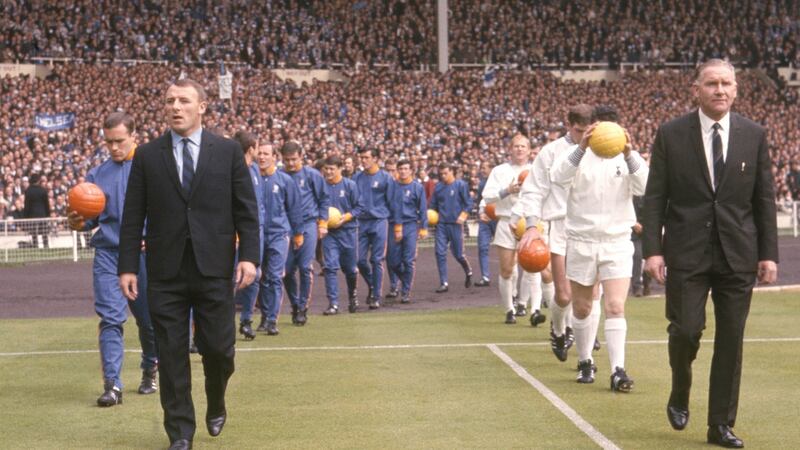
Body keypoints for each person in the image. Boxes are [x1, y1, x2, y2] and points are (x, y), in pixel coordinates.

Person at [642, 59, 778, 448]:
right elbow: (655, 197)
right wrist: (653, 250)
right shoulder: (671, 134)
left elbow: (763, 198)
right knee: (686, 330)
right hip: (686, 252)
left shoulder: (754, 134)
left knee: (731, 341)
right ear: (696, 89)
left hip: (738, 254)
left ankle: (720, 425)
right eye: (712, 83)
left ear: (736, 89)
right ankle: (680, 388)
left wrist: (768, 253)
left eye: (727, 83)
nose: (720, 90)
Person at [118, 78, 260, 449]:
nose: (175, 107)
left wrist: (248, 256)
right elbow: (133, 215)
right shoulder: (147, 155)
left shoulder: (227, 151)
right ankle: (180, 432)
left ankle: (216, 398)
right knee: (171, 353)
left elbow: (246, 210)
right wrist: (128, 266)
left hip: (214, 268)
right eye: (169, 101)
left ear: (202, 108)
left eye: (183, 100)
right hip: (165, 272)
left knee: (218, 349)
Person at [548, 106, 648, 391]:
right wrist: (581, 147)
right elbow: (558, 176)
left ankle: (618, 370)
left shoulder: (628, 158)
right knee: (581, 307)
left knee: (615, 305)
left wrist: (629, 153)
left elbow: (645, 185)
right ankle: (585, 360)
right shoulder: (577, 156)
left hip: (617, 240)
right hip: (581, 240)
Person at [67, 112, 158, 406]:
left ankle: (150, 367)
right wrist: (79, 222)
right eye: (109, 142)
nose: (114, 147)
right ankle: (113, 386)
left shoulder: (153, 168)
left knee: (149, 321)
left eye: (119, 141)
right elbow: (90, 220)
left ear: (134, 135)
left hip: (145, 253)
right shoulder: (96, 175)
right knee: (110, 318)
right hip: (108, 252)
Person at [512, 105, 594, 352]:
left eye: (586, 130)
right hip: (560, 225)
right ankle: (559, 329)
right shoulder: (551, 152)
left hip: (591, 226)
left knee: (591, 295)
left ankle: (585, 345)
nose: (582, 135)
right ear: (569, 125)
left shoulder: (601, 148)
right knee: (564, 295)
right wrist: (532, 225)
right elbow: (534, 190)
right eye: (578, 130)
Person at [481, 134, 541, 324]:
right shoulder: (500, 170)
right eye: (516, 146)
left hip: (531, 222)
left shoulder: (536, 170)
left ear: (529, 150)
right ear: (510, 149)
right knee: (507, 269)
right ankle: (509, 309)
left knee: (534, 267)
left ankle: (534, 309)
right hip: (507, 221)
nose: (519, 149)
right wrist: (507, 190)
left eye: (523, 146)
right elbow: (487, 196)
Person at [280, 141, 330, 326]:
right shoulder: (281, 175)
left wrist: (323, 223)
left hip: (308, 223)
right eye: (287, 160)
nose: (291, 163)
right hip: (286, 226)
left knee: (305, 267)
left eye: (294, 159)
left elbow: (324, 199)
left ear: (301, 156)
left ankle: (303, 307)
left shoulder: (312, 175)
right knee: (286, 270)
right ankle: (294, 303)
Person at [256, 143, 302, 335]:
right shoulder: (253, 179)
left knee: (275, 276)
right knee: (260, 277)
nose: (262, 157)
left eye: (266, 153)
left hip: (278, 234)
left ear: (274, 157)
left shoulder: (284, 180)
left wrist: (298, 234)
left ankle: (272, 319)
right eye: (259, 153)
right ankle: (264, 315)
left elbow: (294, 208)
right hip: (257, 234)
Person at [231, 130, 265, 340]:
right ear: (251, 148)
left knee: (254, 276)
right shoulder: (233, 170)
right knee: (226, 281)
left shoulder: (255, 170)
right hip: (233, 236)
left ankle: (245, 320)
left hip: (254, 233)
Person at [353, 147, 396, 309]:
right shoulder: (357, 178)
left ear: (376, 159)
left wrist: (394, 224)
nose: (363, 160)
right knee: (358, 260)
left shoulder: (386, 178)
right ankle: (372, 284)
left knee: (377, 259)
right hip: (361, 222)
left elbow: (392, 202)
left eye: (366, 157)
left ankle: (376, 296)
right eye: (361, 157)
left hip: (379, 221)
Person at [321, 155, 362, 313]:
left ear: (339, 169)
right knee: (330, 267)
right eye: (326, 169)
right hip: (330, 233)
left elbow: (359, 207)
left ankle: (353, 296)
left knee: (350, 269)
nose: (329, 172)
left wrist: (346, 217)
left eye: (332, 169)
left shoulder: (350, 185)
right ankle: (333, 303)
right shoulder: (321, 186)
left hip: (348, 231)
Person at [387, 159, 428, 304]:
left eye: (406, 168)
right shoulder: (392, 186)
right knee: (392, 261)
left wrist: (424, 227)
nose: (403, 171)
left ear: (411, 170)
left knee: (408, 261)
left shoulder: (417, 187)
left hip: (410, 225)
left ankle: (405, 292)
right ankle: (405, 280)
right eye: (401, 169)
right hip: (393, 225)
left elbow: (422, 208)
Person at [429, 162, 473, 293]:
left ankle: (468, 271)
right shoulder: (438, 187)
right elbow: (433, 206)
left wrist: (463, 215)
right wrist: (431, 216)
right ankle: (444, 282)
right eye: (441, 174)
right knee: (439, 252)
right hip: (442, 224)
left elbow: (469, 203)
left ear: (452, 172)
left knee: (458, 254)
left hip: (456, 224)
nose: (443, 176)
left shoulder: (461, 185)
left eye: (445, 173)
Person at [474, 160, 496, 287]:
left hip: (498, 218)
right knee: (482, 247)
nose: (482, 170)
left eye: (484, 167)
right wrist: (481, 213)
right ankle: (485, 277)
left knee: (507, 248)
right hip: (485, 220)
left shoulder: (500, 181)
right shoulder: (482, 183)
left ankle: (508, 275)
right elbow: (479, 201)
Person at [383, 158, 402, 299]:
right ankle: (394, 284)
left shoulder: (406, 185)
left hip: (406, 224)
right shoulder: (383, 185)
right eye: (388, 170)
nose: (391, 173)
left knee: (406, 258)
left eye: (393, 170)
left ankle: (405, 283)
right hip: (388, 224)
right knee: (390, 257)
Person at [23, 172, 50, 248]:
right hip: (42, 213)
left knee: (34, 232)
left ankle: (35, 245)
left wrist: (25, 216)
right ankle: (46, 244)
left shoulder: (28, 191)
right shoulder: (43, 190)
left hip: (32, 214)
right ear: (38, 180)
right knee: (44, 231)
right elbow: (46, 204)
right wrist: (48, 214)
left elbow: (27, 205)